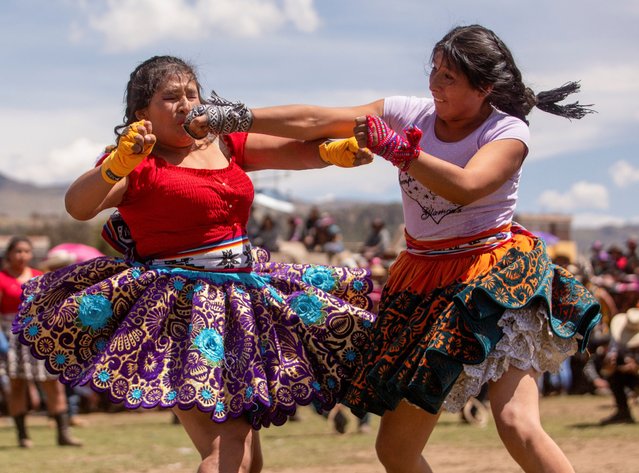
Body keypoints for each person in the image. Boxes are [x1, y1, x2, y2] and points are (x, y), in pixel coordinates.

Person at [184, 24, 602, 473]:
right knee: (395, 451)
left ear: (484, 88)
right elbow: (318, 120)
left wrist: (400, 149)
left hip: (494, 281)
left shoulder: (508, 132)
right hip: (425, 281)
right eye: (434, 71)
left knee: (516, 421)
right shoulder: (412, 112)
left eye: (449, 78)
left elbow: (467, 187)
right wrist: (238, 118)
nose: (434, 85)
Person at [11, 55, 376, 473]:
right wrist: (117, 164)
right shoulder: (138, 159)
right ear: (141, 113)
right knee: (228, 457)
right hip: (181, 313)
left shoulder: (224, 142)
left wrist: (335, 152)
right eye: (171, 97)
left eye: (192, 94)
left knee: (249, 461)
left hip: (245, 304)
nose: (186, 104)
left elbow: (297, 152)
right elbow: (78, 206)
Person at [0, 236, 82, 448]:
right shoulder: (1, 279)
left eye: (26, 251)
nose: (22, 256)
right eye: (18, 251)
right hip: (11, 336)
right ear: (9, 254)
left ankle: (63, 434)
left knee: (53, 383)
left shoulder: (38, 277)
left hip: (39, 335)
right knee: (17, 385)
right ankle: (22, 436)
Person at [598, 308, 639, 425]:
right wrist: (610, 366)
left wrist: (636, 369)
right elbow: (606, 370)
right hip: (628, 377)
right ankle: (623, 412)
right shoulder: (617, 341)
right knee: (614, 376)